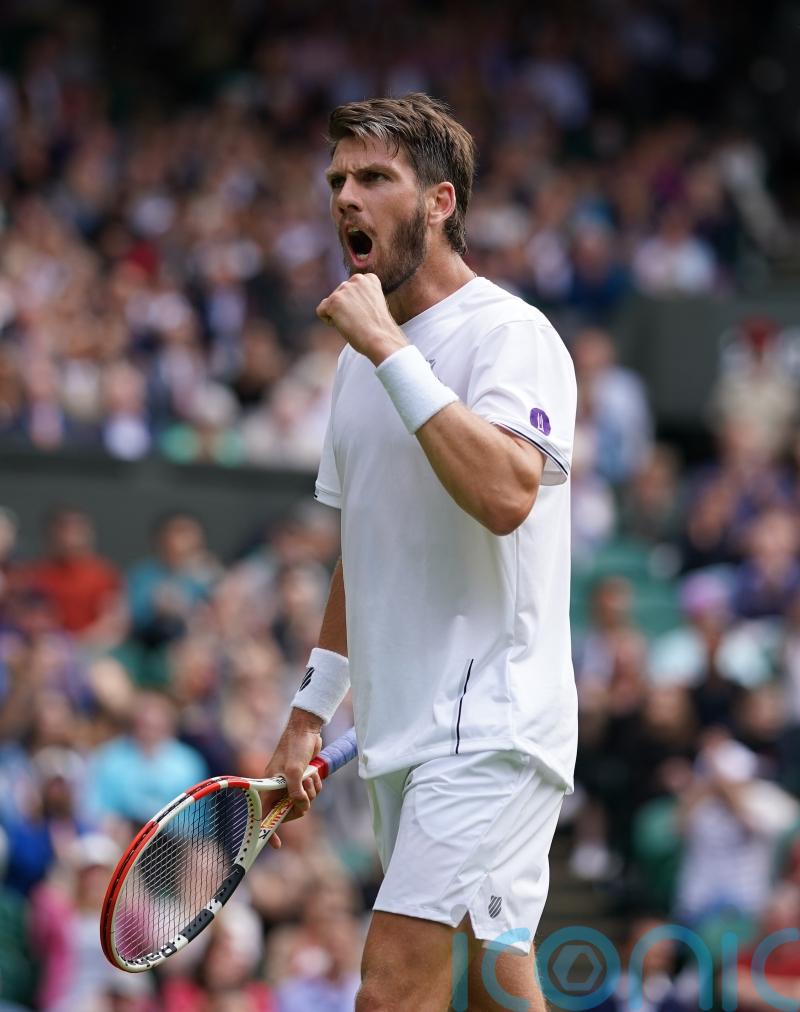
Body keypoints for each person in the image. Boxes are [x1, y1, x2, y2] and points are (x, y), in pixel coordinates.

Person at [263, 93, 577, 1012]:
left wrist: (391, 350)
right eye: (336, 181)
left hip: (490, 723)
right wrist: (310, 708)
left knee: (395, 987)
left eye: (373, 178)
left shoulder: (508, 333)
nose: (345, 199)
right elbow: (367, 545)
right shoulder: (357, 360)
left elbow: (508, 493)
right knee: (493, 985)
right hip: (406, 730)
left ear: (440, 201)